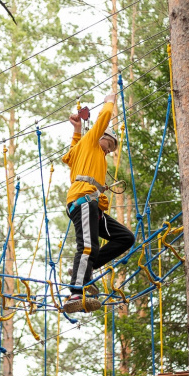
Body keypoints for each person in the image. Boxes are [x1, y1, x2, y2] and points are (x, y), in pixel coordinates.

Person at [61, 93, 135, 313]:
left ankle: (86, 269)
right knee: (87, 246)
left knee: (125, 238)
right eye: (108, 144)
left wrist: (76, 130)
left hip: (94, 206)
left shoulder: (87, 151)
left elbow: (73, 152)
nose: (108, 150)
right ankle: (76, 290)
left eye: (111, 149)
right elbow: (101, 122)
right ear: (99, 136)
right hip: (83, 200)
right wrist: (109, 102)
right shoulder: (92, 143)